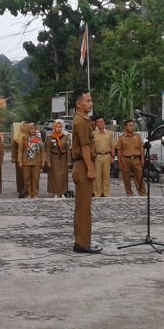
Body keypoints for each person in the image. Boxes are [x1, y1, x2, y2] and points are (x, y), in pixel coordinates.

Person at [71, 90, 100, 253]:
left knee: (82, 206)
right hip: (83, 165)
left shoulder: (81, 120)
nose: (91, 103)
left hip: (82, 165)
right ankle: (82, 244)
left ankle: (81, 241)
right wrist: (90, 168)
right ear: (79, 103)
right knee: (84, 208)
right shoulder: (81, 121)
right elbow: (84, 147)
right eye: (88, 101)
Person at [114, 120, 146, 196]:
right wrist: (119, 162)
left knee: (139, 177)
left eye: (133, 125)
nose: (132, 127)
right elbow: (119, 150)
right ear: (125, 127)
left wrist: (142, 159)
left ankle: (142, 193)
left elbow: (141, 148)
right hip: (125, 159)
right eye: (130, 125)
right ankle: (129, 194)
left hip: (136, 159)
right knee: (126, 178)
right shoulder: (121, 138)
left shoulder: (138, 136)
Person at [45, 119, 71, 198]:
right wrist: (48, 161)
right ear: (54, 127)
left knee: (63, 176)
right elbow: (47, 150)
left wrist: (69, 161)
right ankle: (55, 193)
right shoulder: (50, 137)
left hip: (63, 159)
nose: (58, 128)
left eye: (60, 127)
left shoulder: (65, 137)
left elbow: (68, 150)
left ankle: (62, 193)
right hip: (54, 158)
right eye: (57, 127)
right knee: (54, 177)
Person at [17, 122, 44, 198]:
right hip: (26, 161)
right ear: (28, 129)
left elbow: (43, 151)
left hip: (37, 161)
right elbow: (20, 150)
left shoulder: (38, 139)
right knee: (27, 178)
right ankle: (28, 193)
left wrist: (43, 161)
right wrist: (20, 161)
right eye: (31, 128)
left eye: (34, 128)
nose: (33, 130)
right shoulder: (24, 138)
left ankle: (35, 193)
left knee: (36, 178)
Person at [92, 116, 114, 197]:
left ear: (104, 122)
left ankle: (106, 193)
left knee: (106, 176)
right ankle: (97, 193)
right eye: (98, 122)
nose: (100, 124)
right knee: (97, 176)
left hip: (107, 155)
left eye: (101, 122)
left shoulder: (109, 133)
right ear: (96, 124)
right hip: (98, 156)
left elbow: (112, 145)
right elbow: (93, 146)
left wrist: (112, 156)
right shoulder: (94, 134)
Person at [11, 122, 27, 198]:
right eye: (23, 126)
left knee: (27, 174)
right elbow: (13, 148)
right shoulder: (16, 137)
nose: (24, 127)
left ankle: (28, 189)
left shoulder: (29, 136)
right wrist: (14, 157)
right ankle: (20, 190)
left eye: (26, 126)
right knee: (20, 175)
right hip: (18, 158)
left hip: (28, 158)